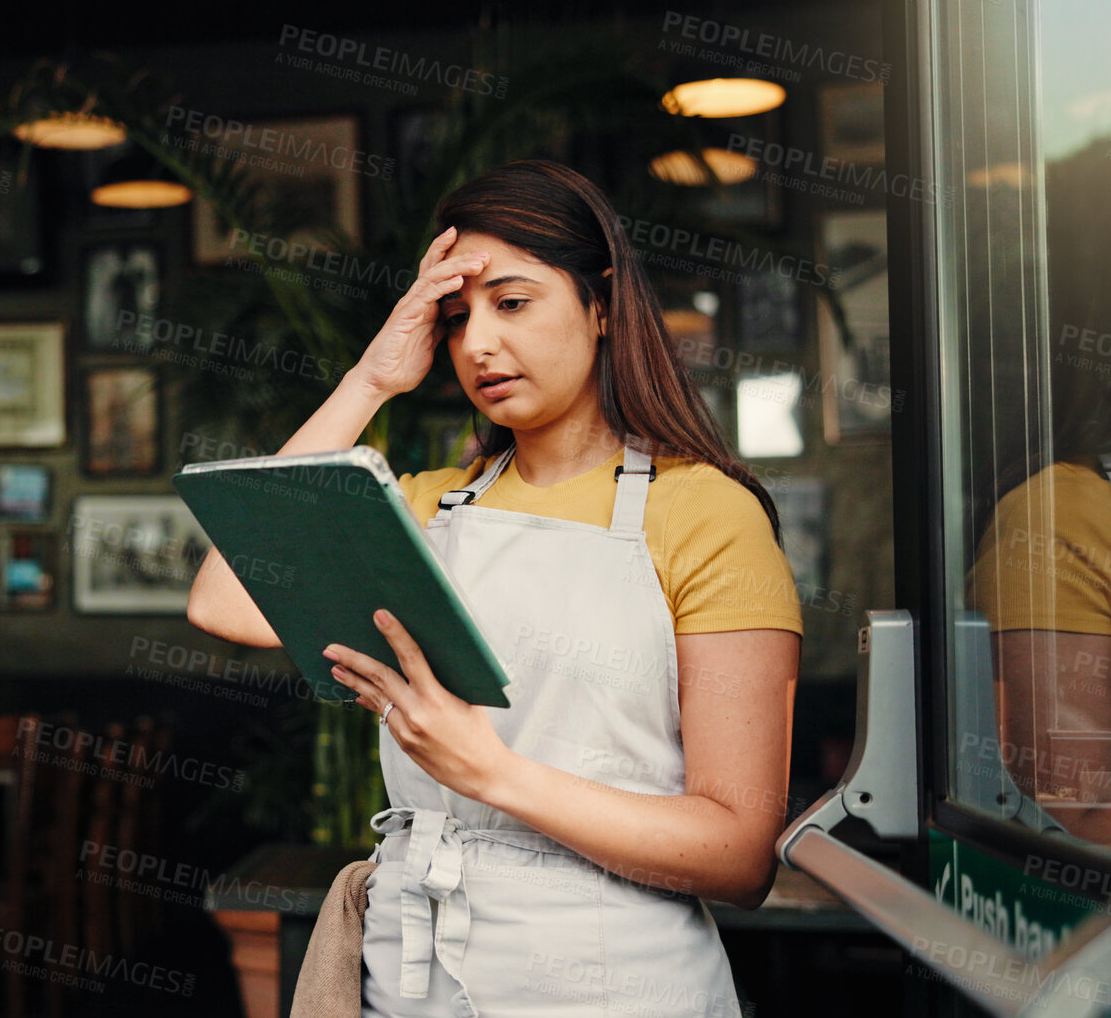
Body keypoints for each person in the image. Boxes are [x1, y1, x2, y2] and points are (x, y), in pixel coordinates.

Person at [186, 160, 801, 1017]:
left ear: (602, 302)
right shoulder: (422, 506)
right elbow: (221, 597)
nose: (477, 343)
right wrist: (369, 379)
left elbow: (739, 855)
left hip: (612, 985)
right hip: (407, 978)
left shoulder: (705, 513)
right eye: (455, 315)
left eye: (511, 303)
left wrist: (492, 773)